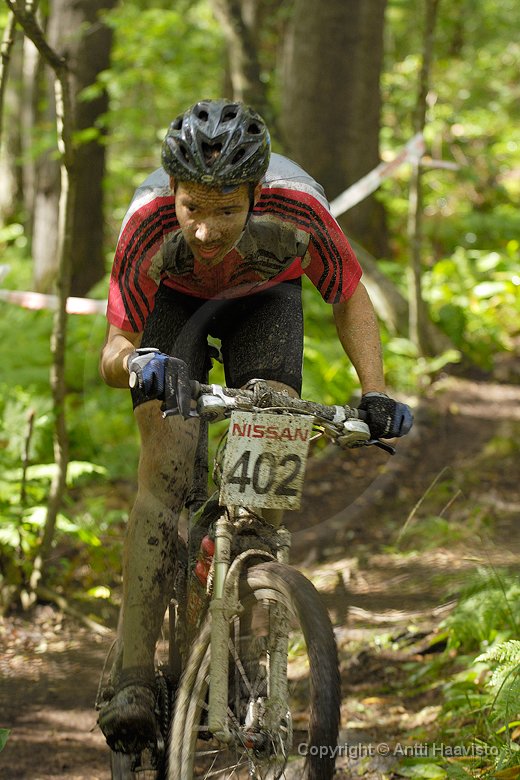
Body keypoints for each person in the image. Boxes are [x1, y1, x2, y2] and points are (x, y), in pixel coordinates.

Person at [97, 99, 413, 752]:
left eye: (226, 210)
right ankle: (131, 678)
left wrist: (375, 392)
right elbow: (113, 349)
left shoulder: (298, 210)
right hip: (172, 308)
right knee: (168, 470)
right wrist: (138, 364)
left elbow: (349, 295)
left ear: (256, 194)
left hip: (266, 301)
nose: (206, 230)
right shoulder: (148, 222)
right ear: (173, 189)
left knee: (268, 457)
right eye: (193, 207)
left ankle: (240, 639)